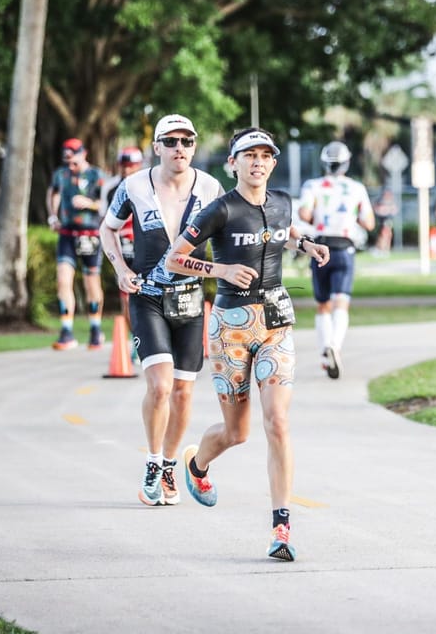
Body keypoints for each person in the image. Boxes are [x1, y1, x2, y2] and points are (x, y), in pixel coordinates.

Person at [164, 126, 330, 562]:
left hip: (275, 322)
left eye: (264, 155)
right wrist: (221, 272)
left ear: (273, 162)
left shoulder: (282, 203)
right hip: (229, 329)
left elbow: (282, 232)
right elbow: (174, 258)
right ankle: (197, 464)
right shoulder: (219, 210)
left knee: (277, 422)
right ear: (232, 163)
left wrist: (306, 243)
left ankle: (281, 528)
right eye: (248, 155)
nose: (257, 162)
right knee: (237, 432)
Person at [99, 115, 224, 507]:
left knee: (184, 393)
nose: (179, 149)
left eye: (187, 141)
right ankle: (153, 463)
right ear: (157, 147)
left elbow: (226, 234)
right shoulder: (133, 186)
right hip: (148, 296)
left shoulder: (210, 186)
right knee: (160, 386)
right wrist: (121, 269)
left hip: (189, 300)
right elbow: (108, 229)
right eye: (170, 142)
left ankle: (170, 464)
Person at [297, 141, 375, 379]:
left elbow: (304, 214)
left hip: (320, 247)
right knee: (341, 302)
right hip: (344, 248)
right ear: (347, 163)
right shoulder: (356, 188)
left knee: (323, 305)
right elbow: (369, 223)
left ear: (324, 162)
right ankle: (335, 346)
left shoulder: (312, 186)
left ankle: (324, 351)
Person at [47, 138, 107, 351]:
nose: (70, 164)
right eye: (67, 160)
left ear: (84, 154)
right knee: (63, 280)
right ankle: (66, 331)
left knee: (91, 283)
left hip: (90, 234)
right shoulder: (61, 175)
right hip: (66, 233)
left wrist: (89, 203)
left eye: (73, 160)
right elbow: (53, 193)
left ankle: (95, 329)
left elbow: (108, 204)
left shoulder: (97, 176)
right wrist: (53, 216)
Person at [101, 146, 144, 343]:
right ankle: (136, 339)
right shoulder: (111, 188)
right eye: (124, 166)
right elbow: (106, 223)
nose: (127, 170)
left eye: (132, 166)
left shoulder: (151, 186)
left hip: (145, 247)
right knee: (127, 298)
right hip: (123, 247)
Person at [372, 188, 397, 256]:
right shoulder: (380, 201)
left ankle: (385, 250)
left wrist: (386, 210)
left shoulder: (391, 202)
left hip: (388, 220)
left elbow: (394, 210)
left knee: (386, 234)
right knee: (382, 235)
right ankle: (380, 249)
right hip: (381, 220)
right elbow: (377, 209)